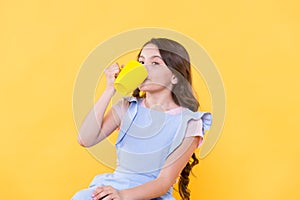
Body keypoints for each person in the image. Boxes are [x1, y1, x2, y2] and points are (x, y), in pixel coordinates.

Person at [72, 38, 212, 200]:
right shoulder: (127, 107)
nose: (144, 68)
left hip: (148, 195)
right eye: (141, 61)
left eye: (155, 63)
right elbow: (85, 139)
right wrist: (110, 89)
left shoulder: (190, 122)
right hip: (113, 188)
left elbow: (163, 182)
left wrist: (122, 195)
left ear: (175, 77)